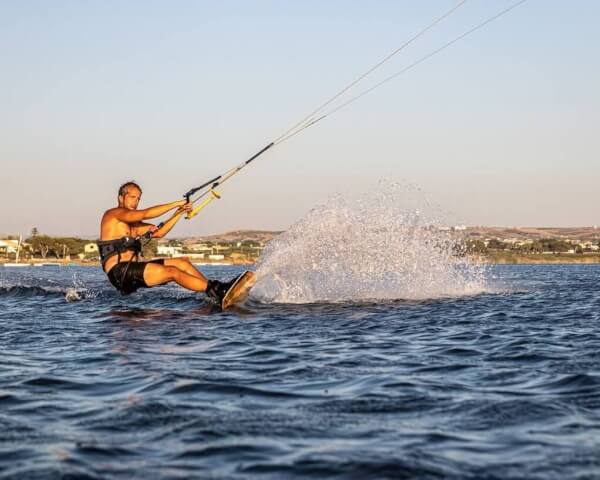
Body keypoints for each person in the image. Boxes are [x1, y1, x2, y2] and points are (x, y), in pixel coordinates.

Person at [98, 181, 236, 302]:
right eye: (132, 197)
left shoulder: (134, 225)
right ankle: (217, 290)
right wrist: (176, 203)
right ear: (121, 197)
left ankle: (214, 291)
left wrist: (179, 212)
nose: (135, 202)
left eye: (138, 199)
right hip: (119, 272)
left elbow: (160, 232)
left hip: (131, 270)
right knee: (172, 272)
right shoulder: (113, 214)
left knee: (182, 262)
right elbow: (145, 213)